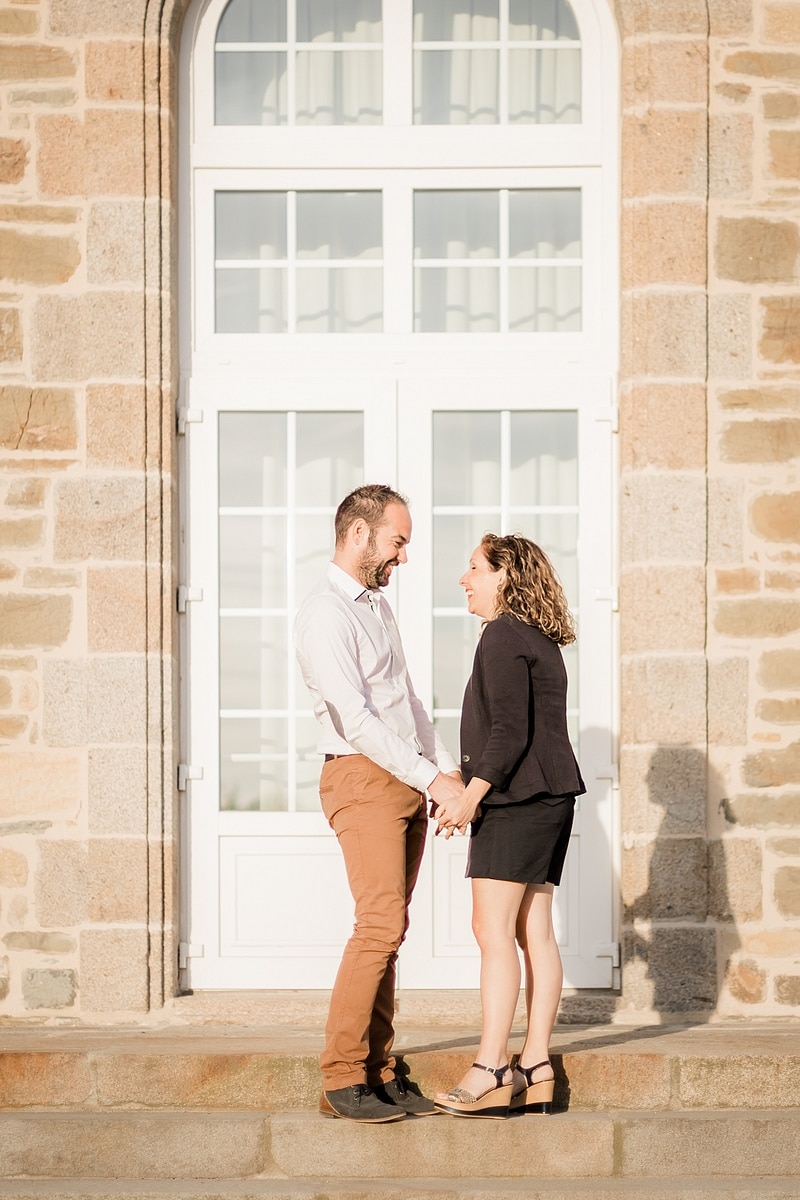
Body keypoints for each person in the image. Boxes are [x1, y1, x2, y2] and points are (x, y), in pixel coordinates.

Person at [294, 483, 464, 1123]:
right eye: (398, 541)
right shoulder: (324, 614)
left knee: (391, 932)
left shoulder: (376, 608)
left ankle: (379, 1071)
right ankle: (342, 1078)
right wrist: (432, 779)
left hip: (403, 780)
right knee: (379, 925)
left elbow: (407, 702)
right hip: (361, 777)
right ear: (359, 533)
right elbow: (357, 720)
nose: (404, 555)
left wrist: (446, 774)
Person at [431, 533, 585, 1120]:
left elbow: (508, 734)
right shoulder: (537, 639)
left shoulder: (501, 637)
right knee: (533, 931)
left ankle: (493, 1066)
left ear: (504, 576)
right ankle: (537, 1064)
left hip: (517, 800)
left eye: (473, 569)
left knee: (491, 929)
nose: (464, 580)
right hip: (550, 798)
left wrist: (471, 797)